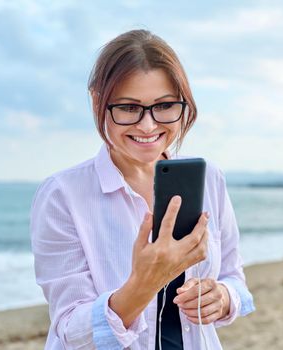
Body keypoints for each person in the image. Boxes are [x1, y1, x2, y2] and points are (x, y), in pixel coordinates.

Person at [30, 29, 255, 350]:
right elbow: (71, 331)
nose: (148, 126)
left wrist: (222, 298)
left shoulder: (209, 179)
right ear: (98, 101)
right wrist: (143, 284)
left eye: (164, 106)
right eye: (129, 108)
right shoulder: (63, 194)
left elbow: (235, 279)